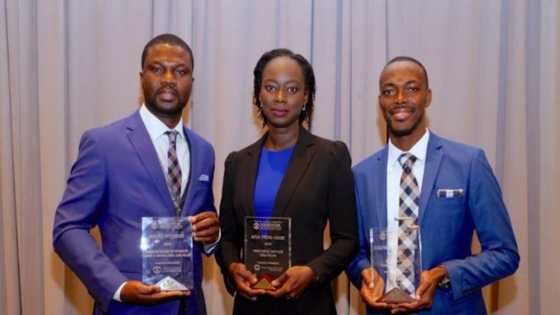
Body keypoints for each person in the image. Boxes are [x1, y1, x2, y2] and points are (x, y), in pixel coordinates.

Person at [52, 34, 219, 315]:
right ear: (142, 77)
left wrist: (213, 234)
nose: (169, 78)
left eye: (180, 71)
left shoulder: (204, 151)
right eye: (157, 69)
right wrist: (116, 286)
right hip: (127, 308)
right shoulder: (104, 144)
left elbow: (204, 218)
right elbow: (67, 229)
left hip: (189, 307)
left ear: (192, 81)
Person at [346, 56, 519, 314]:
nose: (400, 98)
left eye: (411, 89)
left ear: (428, 97)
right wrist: (364, 273)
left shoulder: (469, 163)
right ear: (380, 101)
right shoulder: (361, 174)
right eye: (389, 91)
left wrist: (443, 273)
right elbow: (353, 252)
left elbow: (505, 254)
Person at [215, 48, 357, 315]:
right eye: (270, 87)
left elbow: (347, 240)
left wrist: (312, 272)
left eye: (292, 89)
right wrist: (233, 267)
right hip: (251, 305)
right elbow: (228, 238)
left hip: (308, 305)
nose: (280, 98)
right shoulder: (237, 162)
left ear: (306, 97)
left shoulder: (330, 156)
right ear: (258, 95)